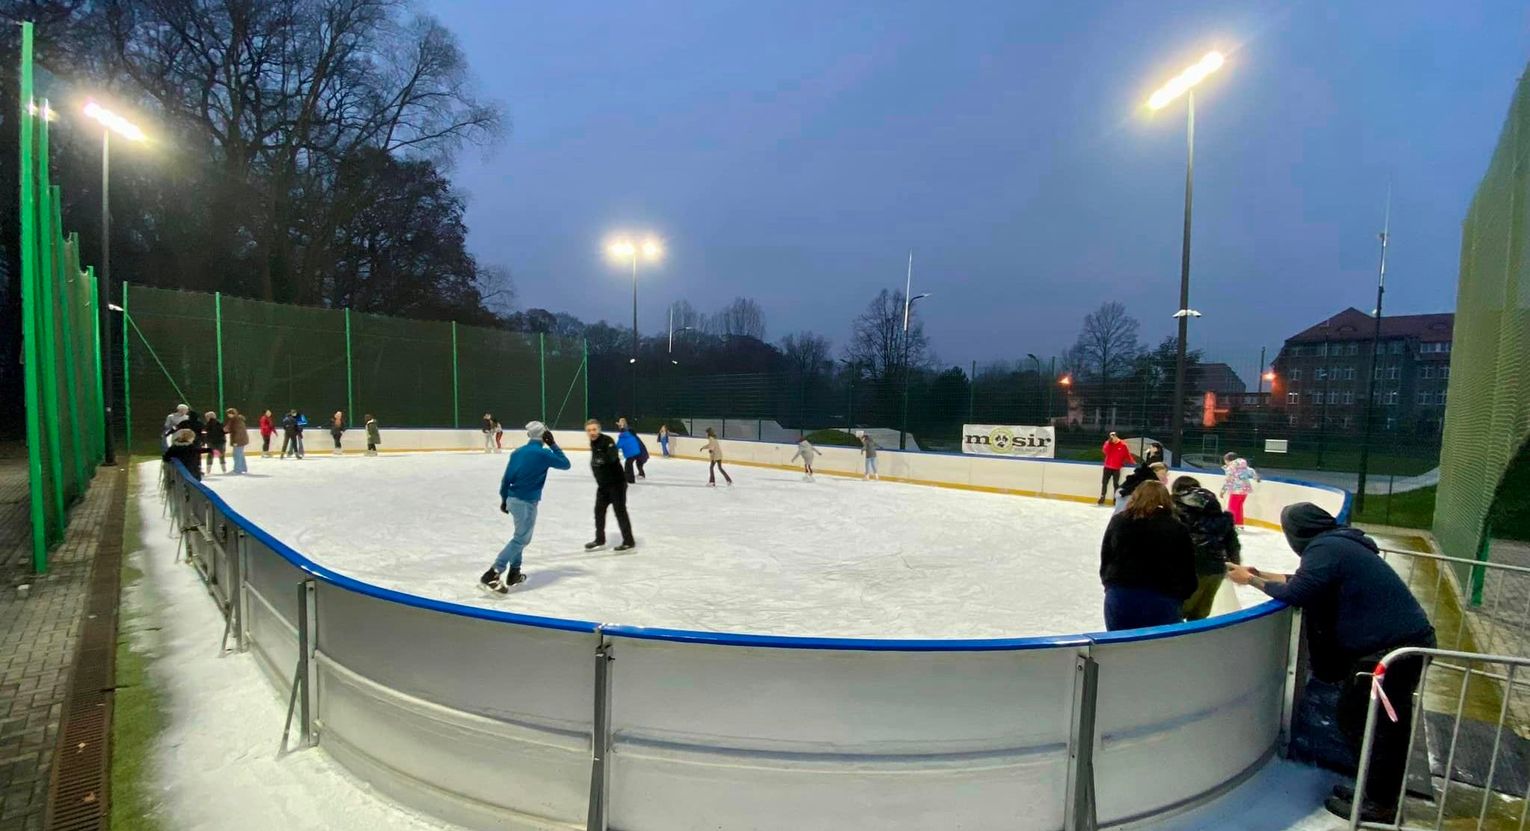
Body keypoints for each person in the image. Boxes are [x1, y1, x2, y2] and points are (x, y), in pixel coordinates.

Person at [1227, 504, 1435, 824]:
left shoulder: (1325, 548)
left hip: (1392, 651)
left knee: (1375, 726)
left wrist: (1251, 581)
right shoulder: (1336, 544)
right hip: (1394, 646)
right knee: (1360, 719)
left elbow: (1299, 592)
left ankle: (1381, 804)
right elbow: (1309, 580)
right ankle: (1373, 793)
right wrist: (1260, 574)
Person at [479, 421, 572, 593]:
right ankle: (493, 572)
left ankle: (514, 572)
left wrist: (504, 498)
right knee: (521, 539)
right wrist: (553, 444)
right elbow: (565, 464)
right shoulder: (544, 454)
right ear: (544, 435)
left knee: (519, 537)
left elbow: (506, 478)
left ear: (529, 435)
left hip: (512, 499)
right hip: (527, 502)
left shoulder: (518, 452)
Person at [1098, 480, 1197, 631]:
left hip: (1120, 594)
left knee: (1120, 643)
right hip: (1163, 597)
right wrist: (1182, 595)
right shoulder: (1177, 528)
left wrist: (1109, 584)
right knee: (1158, 644)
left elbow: (1106, 555)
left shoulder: (1119, 521)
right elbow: (1187, 566)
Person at [1171, 476, 1240, 620]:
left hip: (1191, 570)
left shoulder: (1179, 515)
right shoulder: (1220, 517)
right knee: (1200, 613)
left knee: (1178, 611)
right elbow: (1233, 545)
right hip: (1216, 569)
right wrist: (1234, 564)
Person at [584, 420, 636, 551]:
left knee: (620, 512)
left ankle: (629, 541)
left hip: (616, 485)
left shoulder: (607, 440)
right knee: (598, 512)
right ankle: (599, 539)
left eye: (594, 429)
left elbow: (613, 457)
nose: (592, 432)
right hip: (603, 486)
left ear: (599, 429)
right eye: (589, 430)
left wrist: (601, 459)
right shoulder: (593, 442)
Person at [1220, 453, 1260, 526]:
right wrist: (1256, 477)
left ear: (1227, 460)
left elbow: (1228, 480)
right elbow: (1251, 471)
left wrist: (1223, 491)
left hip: (1235, 490)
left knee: (1232, 508)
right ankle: (1239, 523)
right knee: (1238, 507)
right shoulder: (1244, 466)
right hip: (1245, 490)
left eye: (1225, 461)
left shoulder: (1231, 468)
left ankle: (1231, 524)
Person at [1099, 432, 1136, 505]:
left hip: (1116, 468)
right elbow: (1105, 451)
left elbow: (1127, 455)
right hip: (1107, 466)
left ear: (1116, 436)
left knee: (1115, 484)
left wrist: (1133, 463)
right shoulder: (1108, 443)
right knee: (1104, 482)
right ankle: (1102, 497)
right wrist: (1109, 443)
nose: (1112, 438)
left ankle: (1115, 499)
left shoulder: (1123, 445)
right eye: (1110, 436)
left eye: (1113, 436)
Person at [224, 408, 250, 475]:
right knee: (240, 454)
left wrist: (236, 442)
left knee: (237, 455)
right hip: (241, 440)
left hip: (238, 440)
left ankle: (237, 469)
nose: (228, 415)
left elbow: (238, 432)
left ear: (232, 414)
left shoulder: (236, 421)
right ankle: (243, 468)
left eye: (229, 414)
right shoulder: (235, 420)